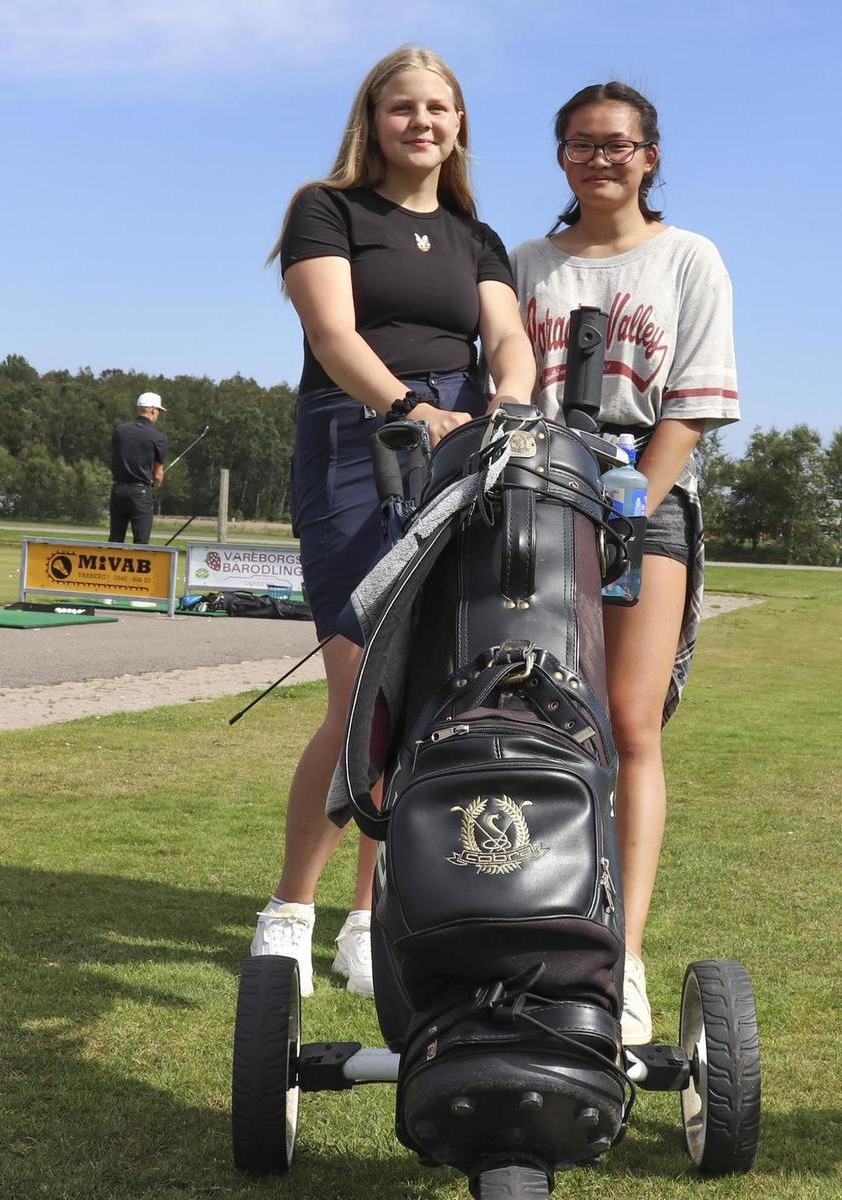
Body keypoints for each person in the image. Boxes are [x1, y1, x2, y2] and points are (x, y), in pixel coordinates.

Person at [249, 46, 535, 997]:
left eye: (439, 109)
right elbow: (332, 335)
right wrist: (411, 410)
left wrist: (510, 409)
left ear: (460, 127)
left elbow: (506, 343)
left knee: (427, 693)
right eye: (402, 107)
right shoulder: (325, 210)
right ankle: (292, 909)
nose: (422, 122)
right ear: (370, 121)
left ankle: (369, 919)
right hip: (355, 440)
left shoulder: (476, 235)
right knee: (361, 688)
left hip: (467, 444)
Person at [510, 83, 740, 1044]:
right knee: (526, 714)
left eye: (616, 145)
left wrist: (633, 497)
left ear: (651, 155)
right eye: (578, 145)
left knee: (629, 727)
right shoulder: (525, 263)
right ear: (560, 157)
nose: (597, 160)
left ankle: (623, 956)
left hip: (643, 500)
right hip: (529, 501)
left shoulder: (688, 257)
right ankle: (524, 925)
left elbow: (690, 403)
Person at [108, 391, 167, 543]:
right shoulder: (158, 437)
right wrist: (156, 485)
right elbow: (158, 475)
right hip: (140, 494)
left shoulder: (119, 431)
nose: (158, 414)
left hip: (117, 491)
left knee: (115, 540)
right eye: (158, 411)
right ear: (153, 410)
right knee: (141, 543)